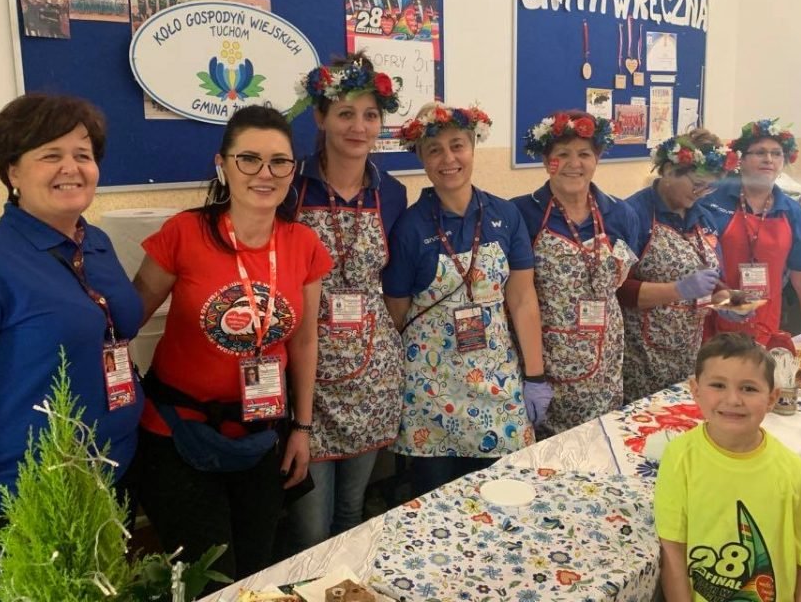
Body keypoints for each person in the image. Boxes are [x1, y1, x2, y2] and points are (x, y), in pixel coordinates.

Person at [0, 94, 143, 597]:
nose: (72, 168)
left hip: (112, 480)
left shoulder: (96, 244)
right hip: (22, 504)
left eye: (83, 154)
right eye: (50, 154)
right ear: (12, 171)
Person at [132, 105, 332, 585]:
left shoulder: (303, 243)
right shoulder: (184, 233)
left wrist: (302, 428)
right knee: (209, 579)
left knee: (256, 570)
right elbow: (126, 320)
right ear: (222, 164)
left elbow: (305, 341)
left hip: (260, 434)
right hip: (177, 434)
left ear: (294, 170)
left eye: (279, 161)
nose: (265, 173)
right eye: (249, 159)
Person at [382, 103, 551, 497]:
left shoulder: (505, 216)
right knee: (435, 501)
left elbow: (522, 299)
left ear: (473, 147)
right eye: (434, 150)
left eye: (457, 145)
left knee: (504, 495)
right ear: (421, 158)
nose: (448, 159)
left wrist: (535, 377)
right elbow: (396, 314)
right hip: (431, 392)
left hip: (496, 384)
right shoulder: (410, 227)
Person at [284, 54, 408, 552]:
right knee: (310, 528)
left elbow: (395, 282)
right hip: (307, 372)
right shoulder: (291, 186)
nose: (359, 126)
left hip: (372, 376)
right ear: (320, 117)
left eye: (370, 115)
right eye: (345, 113)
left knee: (352, 512)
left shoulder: (392, 193)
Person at [654, 333, 801, 602]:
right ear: (695, 391)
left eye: (749, 389)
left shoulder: (792, 470)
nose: (733, 399)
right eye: (718, 385)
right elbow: (672, 551)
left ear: (772, 398)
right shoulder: (679, 458)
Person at [512, 110, 639, 435]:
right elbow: (515, 295)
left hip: (605, 367)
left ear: (597, 159)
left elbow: (622, 279)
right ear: (546, 161)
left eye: (584, 154)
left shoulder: (621, 214)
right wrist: (534, 378)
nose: (574, 164)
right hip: (545, 367)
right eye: (562, 155)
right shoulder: (522, 213)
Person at [619, 130, 743, 403]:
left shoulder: (703, 217)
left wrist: (725, 299)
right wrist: (677, 290)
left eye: (709, 187)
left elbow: (710, 277)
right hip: (641, 362)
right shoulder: (633, 215)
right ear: (668, 169)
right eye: (696, 184)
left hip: (688, 355)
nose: (701, 193)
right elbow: (618, 289)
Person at [702, 119, 801, 345]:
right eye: (760, 152)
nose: (769, 159)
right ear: (741, 159)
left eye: (776, 154)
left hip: (765, 323)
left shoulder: (793, 212)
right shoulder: (712, 203)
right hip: (710, 322)